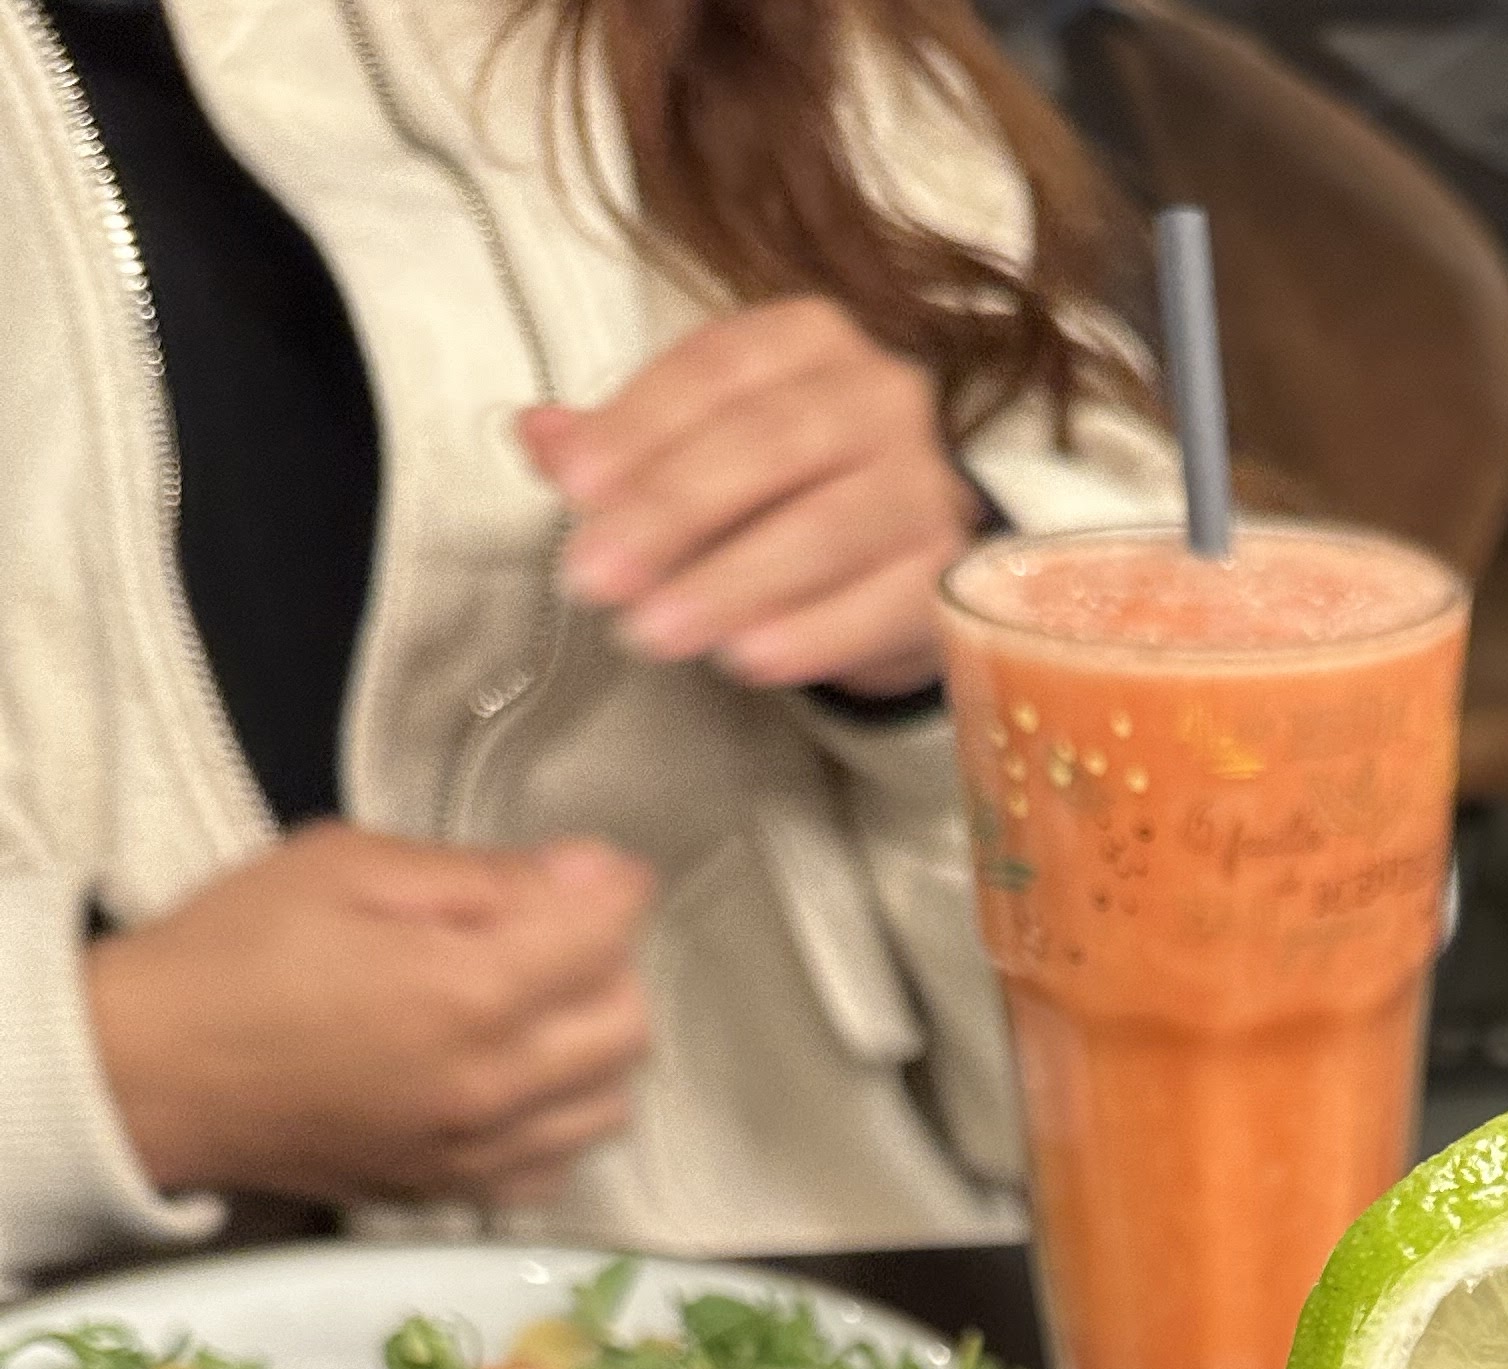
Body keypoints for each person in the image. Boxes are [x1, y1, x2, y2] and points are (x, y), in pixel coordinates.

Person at [0, 0, 1176, 1289]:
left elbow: (1202, 988)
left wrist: (965, 639)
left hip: (829, 1335)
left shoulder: (776, 42)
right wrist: (94, 1075)